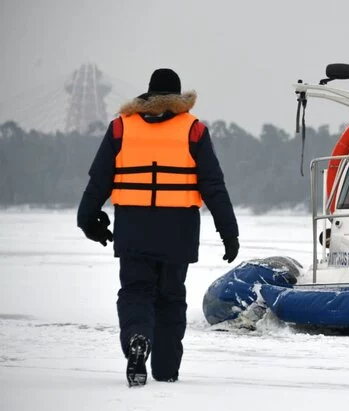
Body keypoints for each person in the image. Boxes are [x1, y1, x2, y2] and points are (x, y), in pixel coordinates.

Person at [76, 68, 239, 387]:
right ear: (179, 99)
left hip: (133, 228)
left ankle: (137, 339)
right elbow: (213, 185)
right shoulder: (193, 130)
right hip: (178, 231)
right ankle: (165, 370)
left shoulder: (121, 127)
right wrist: (228, 231)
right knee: (171, 299)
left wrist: (87, 219)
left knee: (136, 292)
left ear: (148, 94)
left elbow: (99, 181)